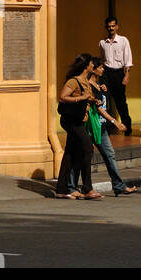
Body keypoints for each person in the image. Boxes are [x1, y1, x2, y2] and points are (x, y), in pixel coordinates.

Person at [55, 53, 103, 199]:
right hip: (71, 121)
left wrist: (94, 100)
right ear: (86, 66)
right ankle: (87, 188)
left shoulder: (86, 81)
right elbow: (62, 97)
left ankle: (62, 189)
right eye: (91, 63)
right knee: (87, 148)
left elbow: (87, 97)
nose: (93, 65)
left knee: (70, 153)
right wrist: (81, 98)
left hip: (79, 120)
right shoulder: (74, 81)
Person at [87, 57, 137, 196]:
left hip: (102, 127)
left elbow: (105, 104)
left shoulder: (101, 85)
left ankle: (118, 185)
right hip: (92, 127)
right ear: (94, 69)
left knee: (110, 155)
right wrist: (115, 122)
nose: (103, 69)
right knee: (83, 156)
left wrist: (103, 89)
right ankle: (73, 185)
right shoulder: (88, 87)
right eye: (101, 67)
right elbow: (98, 109)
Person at [98, 17, 133, 135]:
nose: (111, 28)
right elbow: (102, 60)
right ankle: (105, 126)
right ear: (106, 27)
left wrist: (126, 75)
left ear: (117, 26)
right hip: (106, 73)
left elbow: (128, 59)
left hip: (118, 73)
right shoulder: (102, 43)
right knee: (104, 99)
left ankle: (127, 126)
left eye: (113, 26)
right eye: (109, 26)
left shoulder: (123, 41)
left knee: (121, 102)